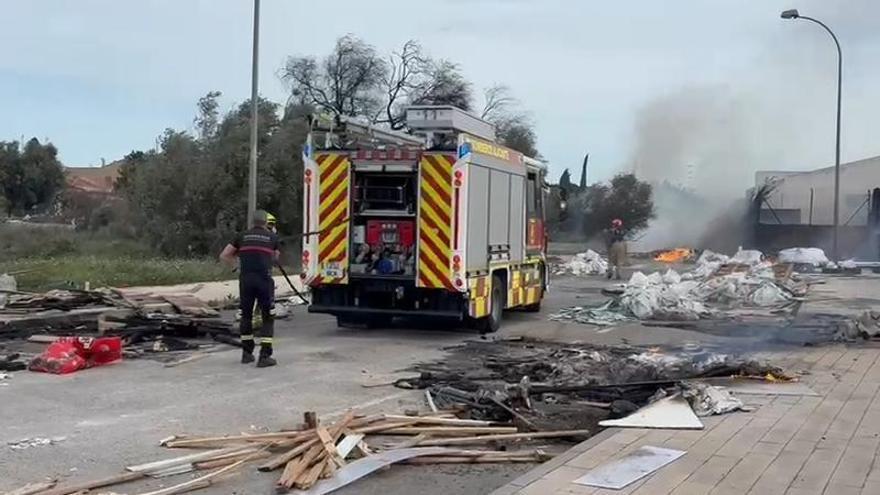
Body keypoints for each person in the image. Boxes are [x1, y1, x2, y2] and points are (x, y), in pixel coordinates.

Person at [219, 210, 280, 367]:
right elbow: (275, 259)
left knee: (246, 316)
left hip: (246, 280)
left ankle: (247, 354)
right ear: (266, 222)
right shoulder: (272, 237)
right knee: (268, 317)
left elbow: (225, 255)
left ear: (252, 222)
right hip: (264, 281)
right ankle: (264, 356)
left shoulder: (241, 236)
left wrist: (235, 268)